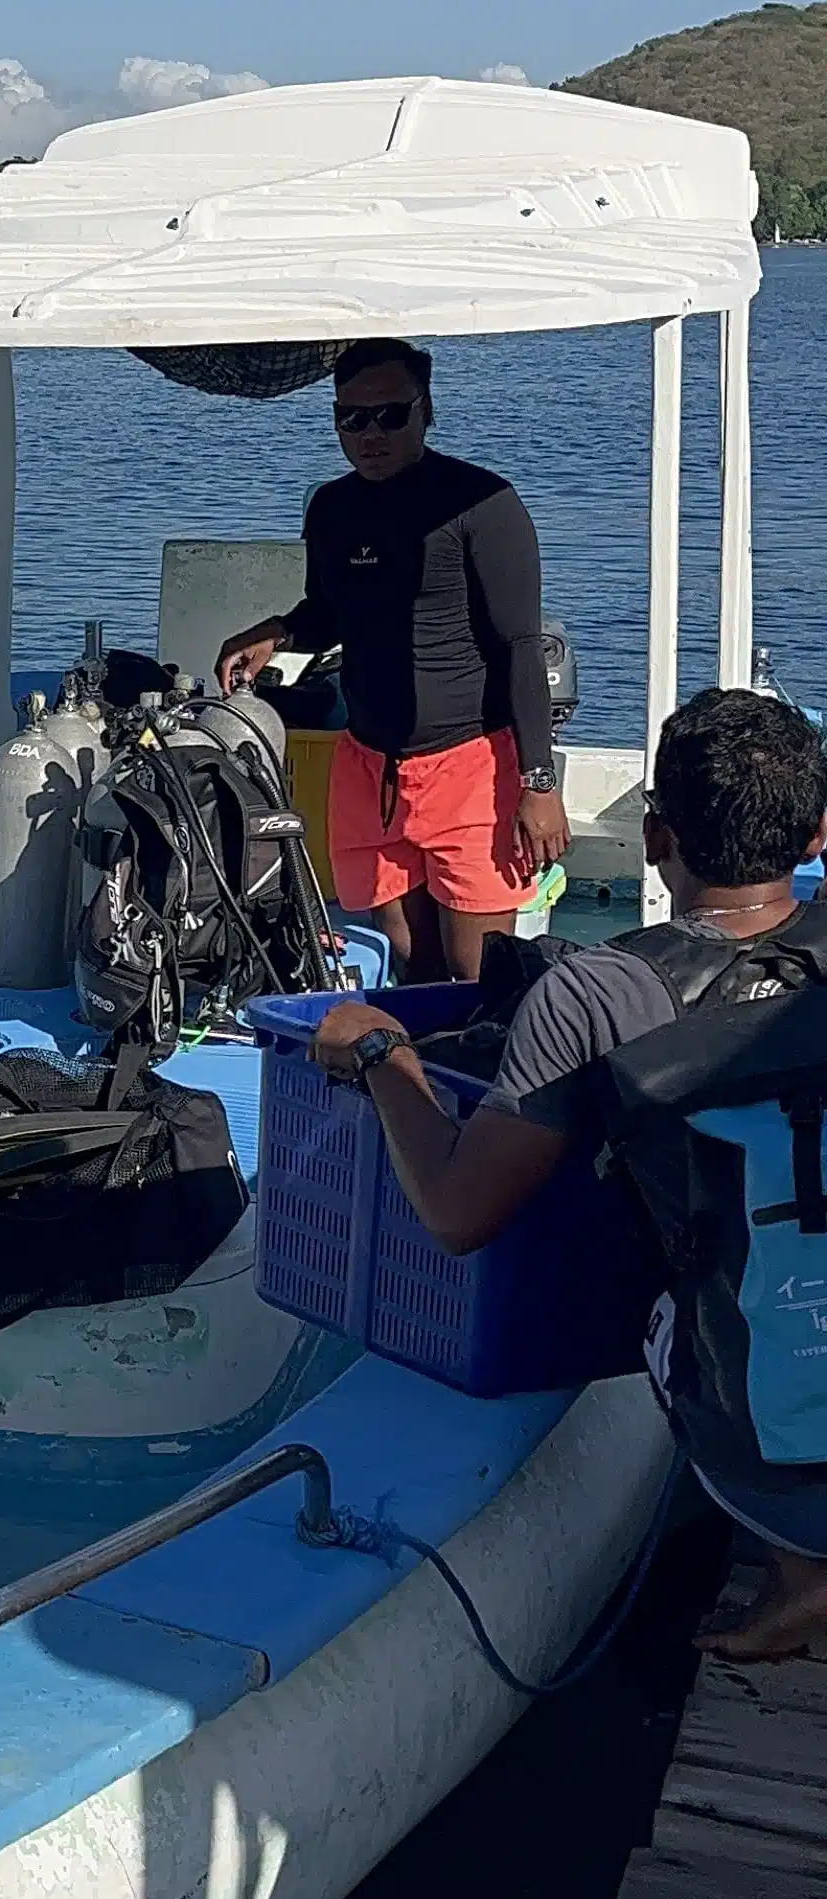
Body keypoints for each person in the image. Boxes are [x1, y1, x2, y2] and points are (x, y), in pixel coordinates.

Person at [311, 686, 827, 1662]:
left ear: (653, 837)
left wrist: (388, 1059)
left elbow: (460, 1213)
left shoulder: (597, 992)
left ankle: (805, 1576)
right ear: (817, 835)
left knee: (685, 1301)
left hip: (767, 1409)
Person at [216, 338, 568, 982]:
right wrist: (280, 630)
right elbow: (330, 610)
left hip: (471, 768)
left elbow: (520, 646)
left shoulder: (482, 504)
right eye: (351, 418)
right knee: (409, 966)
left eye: (390, 415)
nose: (369, 434)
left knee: (478, 980)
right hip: (369, 769)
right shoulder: (331, 507)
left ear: (425, 409)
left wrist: (537, 786)